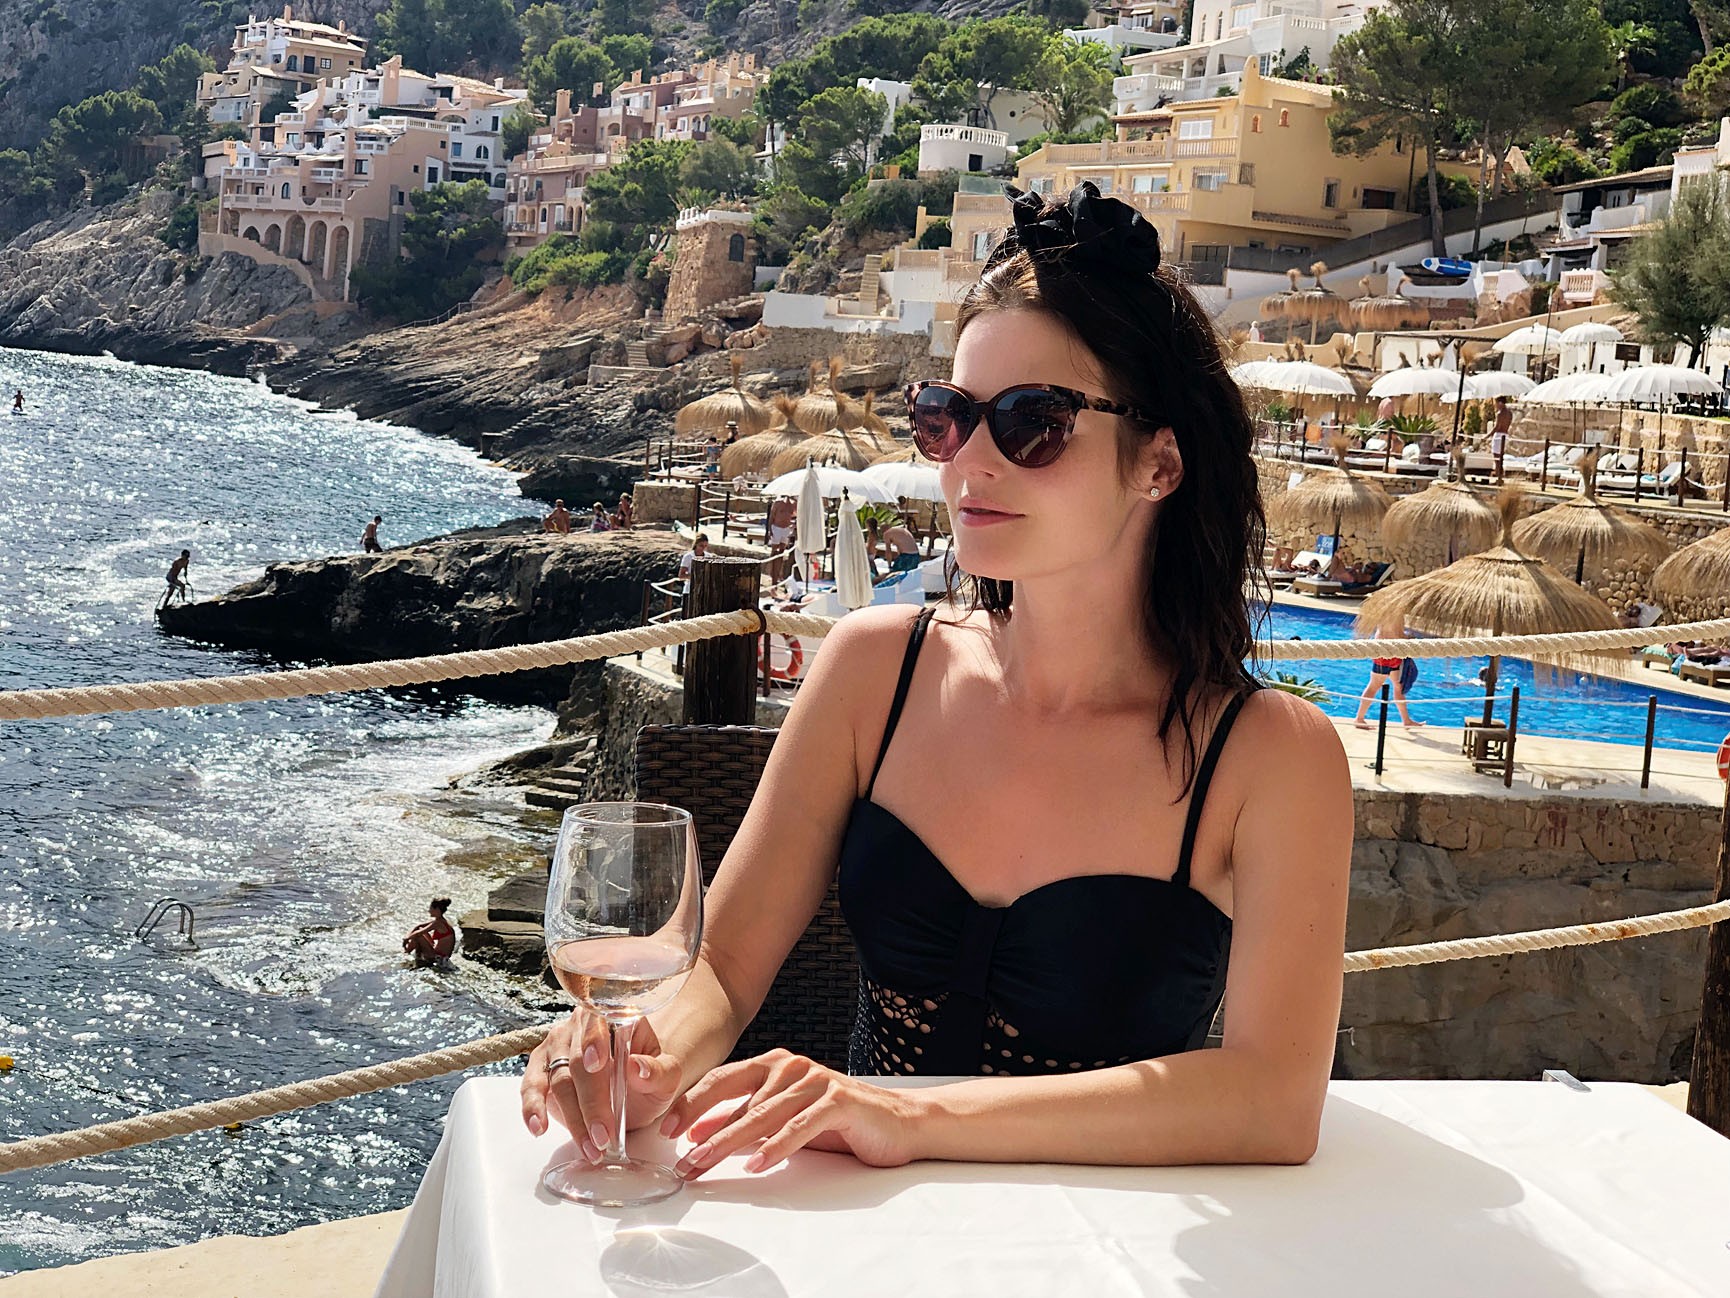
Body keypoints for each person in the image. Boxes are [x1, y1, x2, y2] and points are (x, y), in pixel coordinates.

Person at [522, 180, 1350, 1176]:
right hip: (872, 1227)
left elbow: (1271, 1098)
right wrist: (642, 1053)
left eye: (1033, 421)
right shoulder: (876, 669)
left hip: (1106, 1234)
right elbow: (725, 965)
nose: (969, 464)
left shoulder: (1267, 759)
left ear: (1158, 465)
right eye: (947, 416)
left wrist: (914, 1119)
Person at [1353, 623, 1425, 730]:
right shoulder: (1392, 615)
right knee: (1374, 686)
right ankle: (1359, 719)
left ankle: (1406, 720)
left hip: (1393, 653)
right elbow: (1392, 634)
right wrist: (1410, 640)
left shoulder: (1392, 614)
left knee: (1398, 687)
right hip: (1385, 653)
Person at [402, 898, 457, 969]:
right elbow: (419, 926)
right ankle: (409, 954)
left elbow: (418, 934)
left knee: (418, 936)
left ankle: (407, 954)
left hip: (438, 958)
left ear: (437, 909)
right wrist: (407, 937)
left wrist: (406, 939)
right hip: (437, 954)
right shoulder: (440, 921)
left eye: (431, 908)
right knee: (419, 930)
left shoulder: (438, 923)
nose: (429, 911)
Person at [678, 533, 710, 601]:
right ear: (696, 544)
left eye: (705, 546)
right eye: (701, 546)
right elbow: (681, 575)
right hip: (689, 590)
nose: (703, 548)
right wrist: (695, 576)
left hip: (704, 591)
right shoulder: (688, 557)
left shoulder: (708, 557)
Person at [1490, 396, 1511, 482]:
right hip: (1505, 434)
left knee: (1496, 456)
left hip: (1499, 435)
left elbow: (1497, 427)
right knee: (1501, 456)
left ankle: (1498, 475)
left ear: (1500, 403)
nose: (1495, 405)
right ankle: (1500, 474)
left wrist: (1487, 436)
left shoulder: (1500, 414)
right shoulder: (1509, 413)